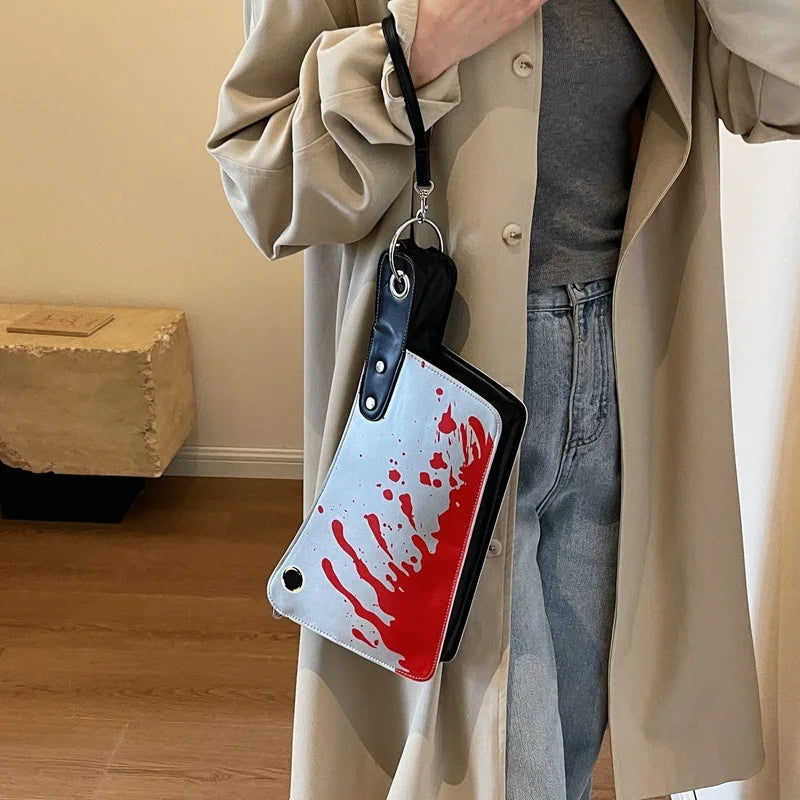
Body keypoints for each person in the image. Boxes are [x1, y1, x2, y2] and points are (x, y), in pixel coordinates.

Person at [206, 1, 800, 798]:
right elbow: (264, 179)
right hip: (449, 387)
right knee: (503, 767)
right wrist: (415, 47)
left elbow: (780, 89)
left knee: (568, 749)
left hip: (628, 373)